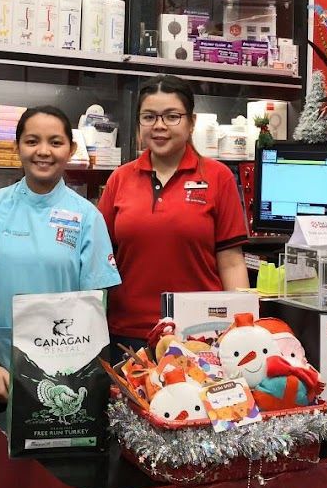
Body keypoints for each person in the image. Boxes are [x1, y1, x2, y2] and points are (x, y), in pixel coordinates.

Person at [0, 105, 120, 488]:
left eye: (54, 142)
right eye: (32, 141)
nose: (43, 151)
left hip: (65, 389)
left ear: (71, 148)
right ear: (18, 148)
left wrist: (77, 384)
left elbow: (94, 307)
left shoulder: (86, 218)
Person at [99, 75, 249, 352]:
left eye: (171, 116)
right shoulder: (120, 179)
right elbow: (100, 261)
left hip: (200, 334)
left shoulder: (219, 177)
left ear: (191, 123)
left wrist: (244, 327)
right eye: (149, 117)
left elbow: (231, 262)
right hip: (129, 333)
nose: (159, 126)